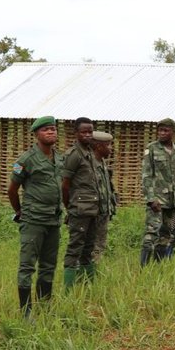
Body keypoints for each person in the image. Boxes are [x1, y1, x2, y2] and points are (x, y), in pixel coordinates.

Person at [8, 115, 63, 312]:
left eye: (53, 129)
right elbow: (12, 189)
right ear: (36, 134)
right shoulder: (25, 160)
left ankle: (44, 306)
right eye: (46, 129)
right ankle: (26, 311)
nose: (51, 132)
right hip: (33, 219)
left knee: (49, 265)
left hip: (53, 219)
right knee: (27, 266)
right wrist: (19, 211)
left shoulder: (59, 158)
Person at [60, 118, 101, 287]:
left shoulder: (90, 152)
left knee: (89, 247)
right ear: (76, 133)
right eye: (83, 132)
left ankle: (87, 284)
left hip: (93, 209)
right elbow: (65, 184)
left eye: (90, 132)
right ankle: (68, 288)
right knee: (75, 247)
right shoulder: (74, 155)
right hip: (79, 209)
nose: (87, 135)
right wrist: (69, 207)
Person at [140, 118, 175, 265]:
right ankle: (144, 267)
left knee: (166, 234)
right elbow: (146, 175)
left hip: (172, 201)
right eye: (160, 130)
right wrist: (151, 198)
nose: (162, 133)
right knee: (152, 233)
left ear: (173, 132)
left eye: (166, 130)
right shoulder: (152, 148)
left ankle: (157, 266)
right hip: (157, 200)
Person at [91, 134, 117, 267]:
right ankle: (83, 276)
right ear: (98, 146)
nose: (111, 148)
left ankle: (93, 273)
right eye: (108, 145)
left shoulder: (102, 163)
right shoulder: (89, 165)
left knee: (99, 245)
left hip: (103, 212)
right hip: (91, 213)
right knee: (87, 246)